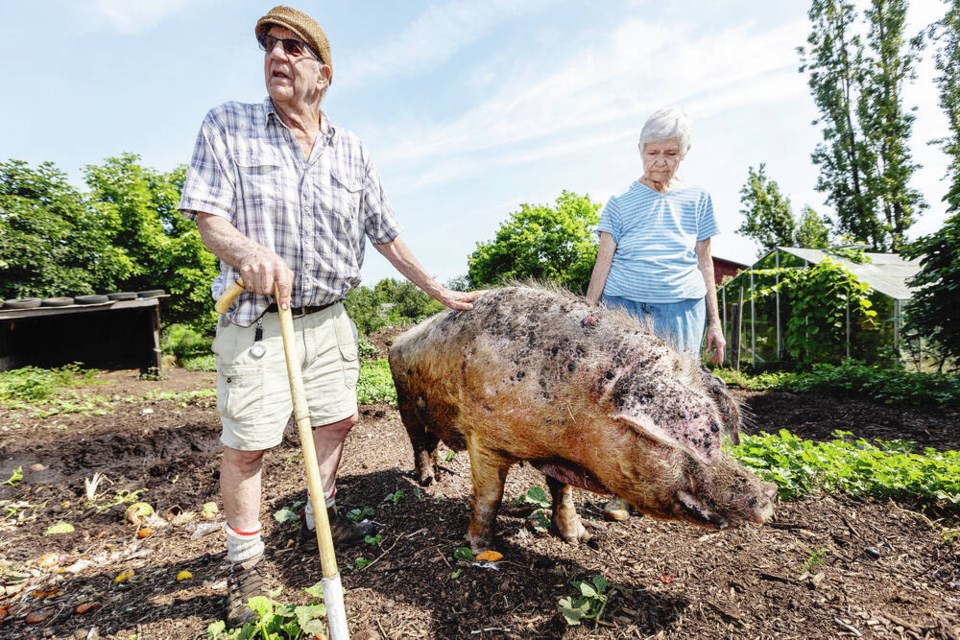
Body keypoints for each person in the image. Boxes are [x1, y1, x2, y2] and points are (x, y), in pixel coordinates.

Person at [178, 6, 481, 627]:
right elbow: (209, 217)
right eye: (270, 47)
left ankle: (322, 512)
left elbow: (386, 234)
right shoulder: (229, 126)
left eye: (294, 48)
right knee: (250, 445)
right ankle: (246, 561)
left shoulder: (354, 151)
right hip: (262, 320)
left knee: (340, 420)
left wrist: (438, 291)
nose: (277, 56)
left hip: (330, 318)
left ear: (325, 73)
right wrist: (247, 252)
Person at [584, 106, 726, 521]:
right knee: (622, 396)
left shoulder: (698, 199)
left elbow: (705, 262)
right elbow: (603, 259)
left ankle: (682, 486)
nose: (659, 162)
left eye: (670, 153)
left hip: (680, 306)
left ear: (684, 154)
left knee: (680, 397)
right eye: (652, 153)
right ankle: (623, 491)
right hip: (624, 305)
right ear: (639, 151)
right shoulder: (621, 203)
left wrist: (714, 323)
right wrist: (589, 312)